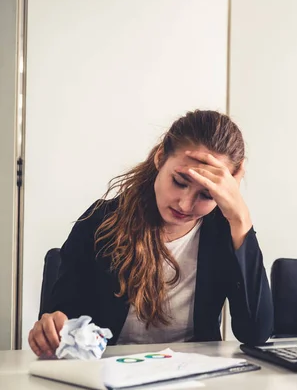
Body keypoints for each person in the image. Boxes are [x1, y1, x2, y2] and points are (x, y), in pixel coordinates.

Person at [29, 110, 273, 356]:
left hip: (193, 375)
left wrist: (240, 218)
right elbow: (59, 321)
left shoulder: (224, 232)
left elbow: (256, 333)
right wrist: (51, 327)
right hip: (109, 372)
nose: (185, 205)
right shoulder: (99, 222)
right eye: (179, 181)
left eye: (207, 194)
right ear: (160, 158)